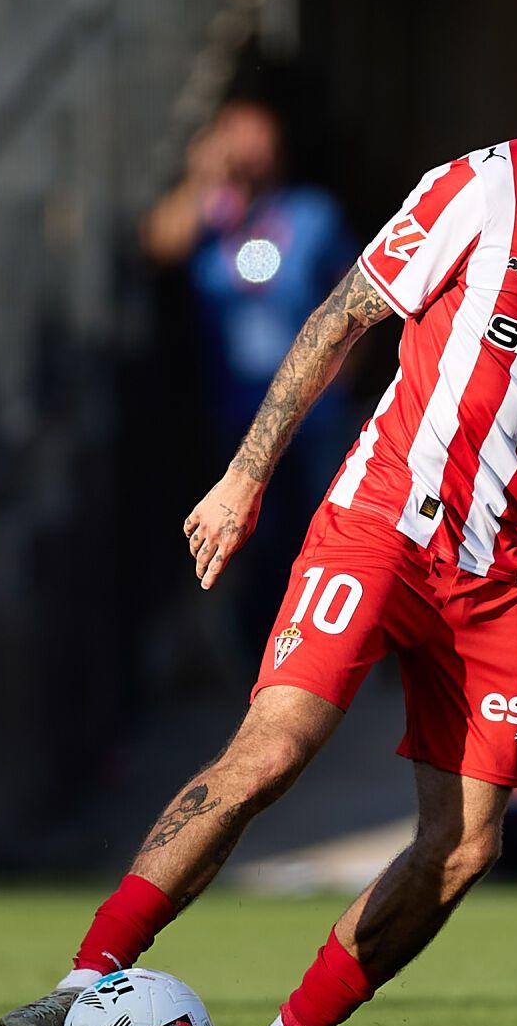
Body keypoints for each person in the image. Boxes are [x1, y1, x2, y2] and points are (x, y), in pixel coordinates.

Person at [0, 0, 517, 1026]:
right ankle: (84, 978)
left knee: (467, 844)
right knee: (272, 750)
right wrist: (246, 476)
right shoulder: (479, 188)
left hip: (500, 574)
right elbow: (341, 316)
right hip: (383, 523)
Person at [142, 98, 359, 633]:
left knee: (319, 528)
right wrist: (202, 180)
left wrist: (346, 381)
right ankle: (258, 645)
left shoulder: (313, 213)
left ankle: (321, 637)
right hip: (232, 410)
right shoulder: (209, 215)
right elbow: (157, 246)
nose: (245, 147)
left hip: (312, 411)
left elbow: (358, 296)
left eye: (256, 135)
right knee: (249, 538)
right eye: (233, 134)